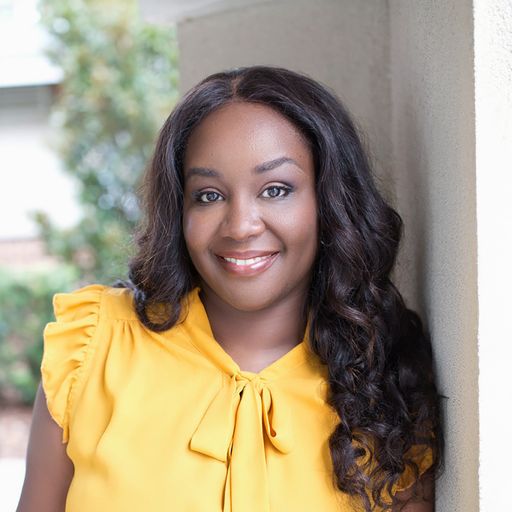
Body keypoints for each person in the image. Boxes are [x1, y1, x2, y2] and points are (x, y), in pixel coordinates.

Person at [17, 66, 443, 512]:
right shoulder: (92, 350)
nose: (240, 226)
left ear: (329, 200)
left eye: (275, 190)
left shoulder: (386, 388)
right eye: (209, 195)